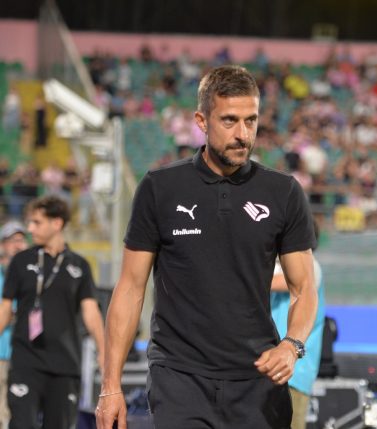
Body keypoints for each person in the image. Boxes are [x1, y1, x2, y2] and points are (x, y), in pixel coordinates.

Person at [96, 65, 317, 429]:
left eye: (251, 120)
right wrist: (110, 386)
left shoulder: (283, 192)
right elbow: (131, 288)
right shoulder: (160, 188)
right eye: (229, 120)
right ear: (201, 120)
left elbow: (304, 287)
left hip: (257, 380)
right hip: (179, 377)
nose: (242, 134)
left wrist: (291, 345)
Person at [0, 196, 105, 429]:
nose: (30, 229)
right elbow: (5, 309)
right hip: (26, 363)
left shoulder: (80, 265)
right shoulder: (20, 261)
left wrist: (103, 351)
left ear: (57, 223)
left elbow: (91, 312)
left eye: (37, 222)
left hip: (65, 366)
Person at [271, 220, 325, 429]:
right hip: (272, 366)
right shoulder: (277, 268)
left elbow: (279, 283)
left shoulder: (312, 268)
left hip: (296, 371)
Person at [0, 222, 28, 429]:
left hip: (26, 356)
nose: (18, 245)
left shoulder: (33, 273)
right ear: (2, 245)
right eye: (13, 241)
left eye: (21, 240)